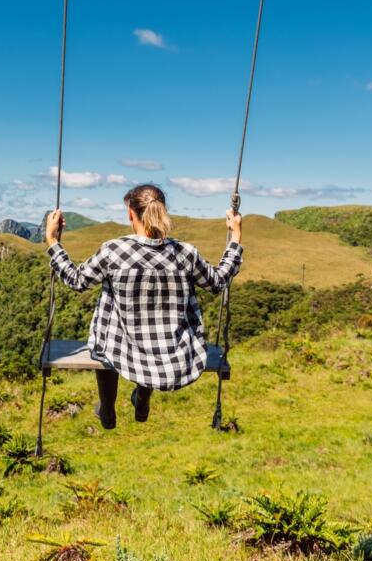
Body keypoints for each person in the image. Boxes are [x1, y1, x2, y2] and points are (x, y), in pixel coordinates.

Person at [44, 183, 243, 429]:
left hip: (122, 349)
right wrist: (235, 236)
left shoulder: (114, 251)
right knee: (151, 334)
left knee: (107, 337)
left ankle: (107, 408)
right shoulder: (186, 253)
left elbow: (77, 280)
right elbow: (218, 281)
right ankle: (142, 397)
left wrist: (53, 241)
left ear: (131, 214)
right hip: (170, 354)